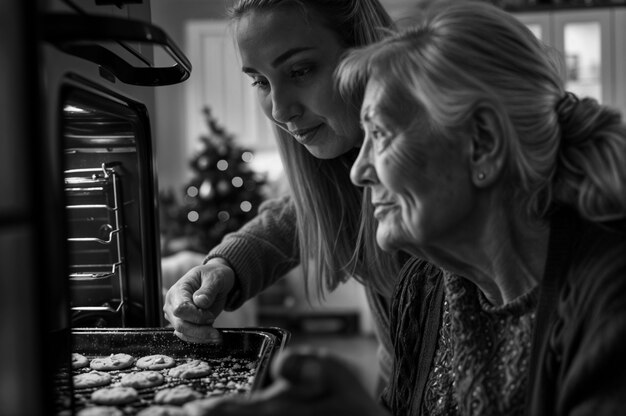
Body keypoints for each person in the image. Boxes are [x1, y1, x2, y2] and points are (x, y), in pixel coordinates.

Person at [183, 1, 626, 415]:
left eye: (381, 135)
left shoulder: (602, 300)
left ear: (484, 144)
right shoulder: (425, 288)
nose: (359, 174)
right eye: (259, 81)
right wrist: (230, 263)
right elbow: (297, 215)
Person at [162, 0, 403, 390]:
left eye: (301, 70)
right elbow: (295, 214)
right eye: (259, 81)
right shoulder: (344, 156)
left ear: (365, 52)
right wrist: (222, 267)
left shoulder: (433, 173)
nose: (279, 109)